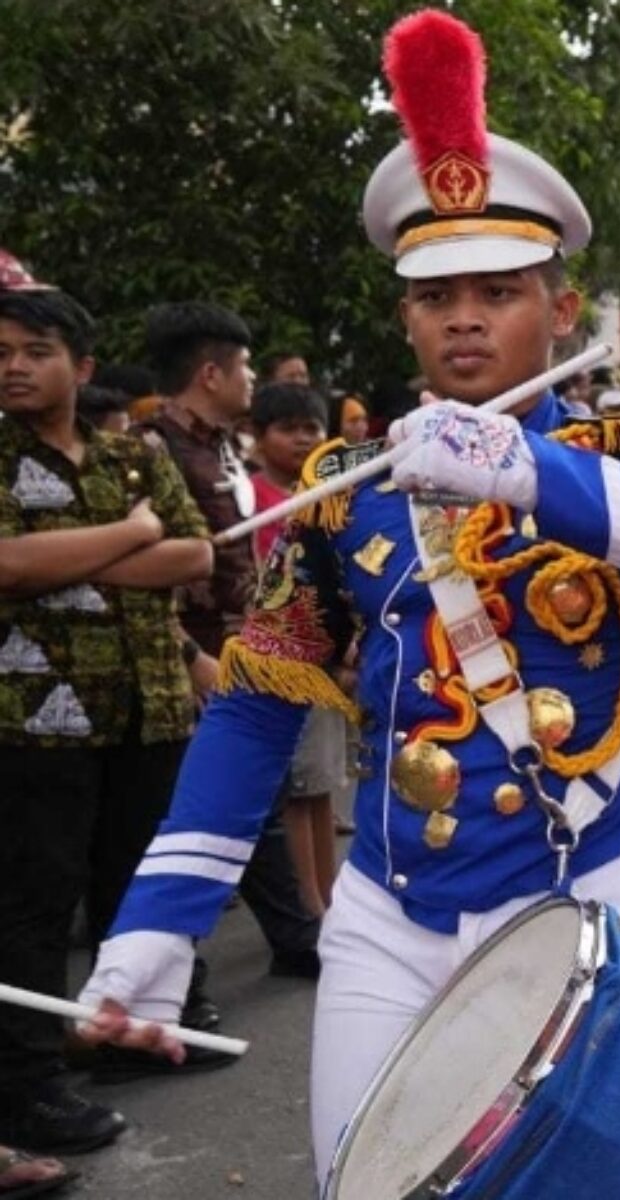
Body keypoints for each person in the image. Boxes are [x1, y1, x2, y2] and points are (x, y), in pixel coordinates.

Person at [70, 13, 620, 1184]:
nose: (465, 316)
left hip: (590, 903)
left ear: (561, 312)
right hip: (389, 913)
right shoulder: (339, 493)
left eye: (499, 290)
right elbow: (259, 706)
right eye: (436, 294)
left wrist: (534, 473)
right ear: (404, 314)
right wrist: (164, 915)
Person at [0, 280, 216, 1157]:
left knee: (132, 892)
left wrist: (77, 555)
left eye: (34, 351)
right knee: (31, 909)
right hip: (32, 723)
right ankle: (26, 1093)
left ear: (81, 366)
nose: (14, 366)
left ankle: (116, 1037)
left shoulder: (132, 454)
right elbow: (7, 567)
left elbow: (196, 551)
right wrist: (131, 535)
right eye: (2, 353)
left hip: (146, 710)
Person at [134, 303, 326, 1002]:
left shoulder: (222, 449)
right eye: (244, 366)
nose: (252, 377)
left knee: (261, 801)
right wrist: (189, 660)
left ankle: (296, 939)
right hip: (182, 664)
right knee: (186, 819)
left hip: (245, 653)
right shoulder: (150, 450)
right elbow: (140, 575)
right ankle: (168, 989)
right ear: (211, 373)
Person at [242, 383, 348, 918]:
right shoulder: (254, 498)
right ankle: (309, 905)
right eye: (288, 429)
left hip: (324, 660)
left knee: (323, 787)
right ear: (258, 439)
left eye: (312, 427)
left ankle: (330, 897)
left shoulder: (328, 496)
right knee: (297, 792)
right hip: (283, 661)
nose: (304, 439)